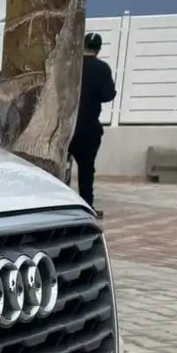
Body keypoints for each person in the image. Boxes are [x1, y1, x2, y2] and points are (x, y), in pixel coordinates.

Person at [70, 32, 116, 215]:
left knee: (60, 167)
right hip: (89, 127)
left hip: (66, 125)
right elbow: (108, 95)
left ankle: (58, 204)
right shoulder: (102, 68)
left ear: (82, 45)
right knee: (86, 168)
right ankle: (87, 206)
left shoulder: (71, 65)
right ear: (98, 49)